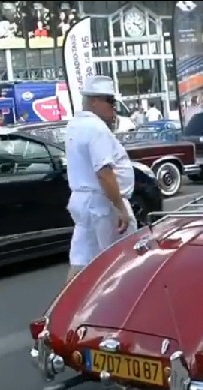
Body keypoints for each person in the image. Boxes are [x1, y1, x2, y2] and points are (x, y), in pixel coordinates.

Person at [64, 75, 137, 282]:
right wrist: (120, 207)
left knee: (81, 261)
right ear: (95, 101)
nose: (114, 107)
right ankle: (121, 299)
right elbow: (104, 173)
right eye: (110, 101)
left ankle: (67, 302)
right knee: (122, 260)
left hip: (83, 202)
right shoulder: (97, 128)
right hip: (103, 204)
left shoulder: (75, 125)